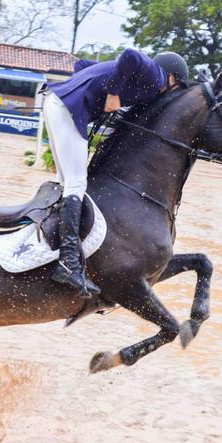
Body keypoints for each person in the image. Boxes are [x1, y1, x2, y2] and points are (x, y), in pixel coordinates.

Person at [42, 49, 189, 298]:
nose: (172, 92)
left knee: (66, 182)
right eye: (177, 85)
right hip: (66, 108)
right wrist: (112, 94)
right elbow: (130, 55)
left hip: (56, 103)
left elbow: (82, 65)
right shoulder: (156, 76)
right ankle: (68, 262)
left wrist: (102, 89)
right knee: (76, 184)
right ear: (173, 76)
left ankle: (52, 245)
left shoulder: (143, 79)